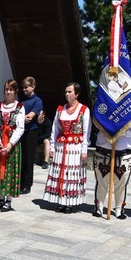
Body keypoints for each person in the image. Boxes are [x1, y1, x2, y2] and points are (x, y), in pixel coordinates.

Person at [43, 82, 90, 213]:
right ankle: (60, 200)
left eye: (70, 92)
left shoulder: (84, 110)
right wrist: (52, 146)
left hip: (75, 147)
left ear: (77, 94)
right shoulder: (60, 110)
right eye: (66, 92)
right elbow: (55, 129)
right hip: (61, 146)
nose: (67, 94)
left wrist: (84, 149)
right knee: (61, 173)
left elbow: (86, 131)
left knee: (71, 173)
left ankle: (70, 202)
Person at [91, 112, 131, 219]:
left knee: (121, 184)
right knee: (102, 182)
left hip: (124, 153)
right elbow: (96, 122)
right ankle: (99, 206)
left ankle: (119, 208)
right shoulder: (106, 107)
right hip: (104, 151)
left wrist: (121, 130)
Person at [0, 79, 25, 212]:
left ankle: (8, 200)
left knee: (10, 170)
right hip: (0, 142)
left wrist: (11, 143)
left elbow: (20, 127)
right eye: (6, 89)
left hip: (12, 144)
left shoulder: (19, 107)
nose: (8, 92)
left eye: (11, 89)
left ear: (15, 92)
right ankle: (0, 198)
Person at [19, 76, 44, 194]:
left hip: (31, 132)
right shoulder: (21, 101)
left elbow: (30, 117)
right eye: (23, 88)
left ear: (33, 87)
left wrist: (20, 118)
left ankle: (27, 185)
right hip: (21, 132)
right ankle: (20, 182)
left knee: (29, 159)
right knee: (21, 158)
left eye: (26, 87)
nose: (24, 90)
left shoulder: (37, 101)